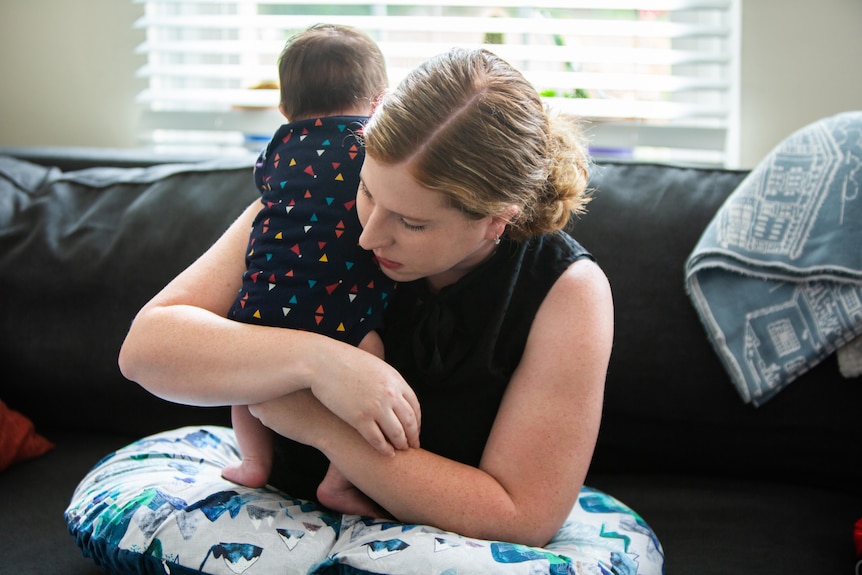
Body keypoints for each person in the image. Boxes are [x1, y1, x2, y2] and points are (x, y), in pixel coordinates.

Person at [118, 46, 612, 547]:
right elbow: (145, 351)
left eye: (412, 223)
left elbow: (522, 518)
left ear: (496, 220)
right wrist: (319, 363)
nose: (368, 235)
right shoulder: (316, 195)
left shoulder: (567, 291)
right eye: (369, 191)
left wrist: (323, 427)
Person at [217, 23, 408, 517]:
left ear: (285, 107)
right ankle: (341, 480)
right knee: (373, 365)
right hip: (343, 305)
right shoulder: (371, 149)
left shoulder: (278, 149)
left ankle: (254, 462)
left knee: (245, 381)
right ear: (379, 101)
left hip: (264, 298)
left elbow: (266, 189)